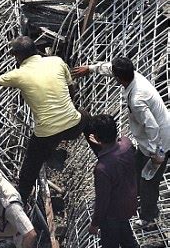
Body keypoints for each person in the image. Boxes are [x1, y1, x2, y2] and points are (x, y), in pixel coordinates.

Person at [0, 37, 87, 204]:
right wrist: (69, 112)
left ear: (18, 56)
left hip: (46, 134)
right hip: (73, 127)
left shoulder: (18, 74)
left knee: (30, 167)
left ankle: (21, 199)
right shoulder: (57, 61)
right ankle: (98, 146)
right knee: (85, 115)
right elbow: (70, 88)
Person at [73, 56, 170, 228]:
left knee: (149, 181)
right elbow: (111, 69)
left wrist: (156, 154)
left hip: (159, 143)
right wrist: (90, 68)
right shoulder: (133, 76)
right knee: (138, 171)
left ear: (119, 78)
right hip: (149, 140)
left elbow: (152, 127)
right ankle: (138, 198)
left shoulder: (137, 100)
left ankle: (149, 218)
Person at [87, 114, 142, 248]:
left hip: (112, 212)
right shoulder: (127, 144)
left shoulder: (102, 169)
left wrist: (95, 224)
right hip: (129, 200)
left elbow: (102, 201)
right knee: (123, 224)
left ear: (98, 138)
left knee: (110, 247)